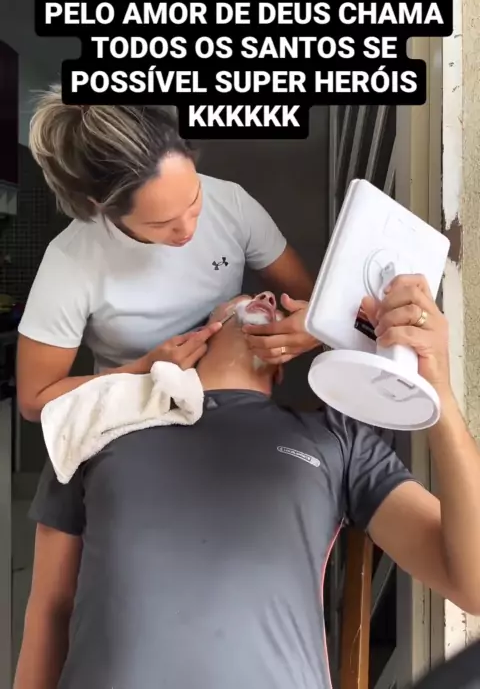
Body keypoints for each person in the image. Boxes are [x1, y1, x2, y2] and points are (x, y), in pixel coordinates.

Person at [14, 276, 480, 689]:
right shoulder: (97, 426)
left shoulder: (336, 440)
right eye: (239, 301)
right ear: (198, 339)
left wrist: (434, 387)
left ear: (280, 368)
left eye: (273, 301)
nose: (267, 298)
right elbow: (50, 607)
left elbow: (473, 585)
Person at [16, 88, 317, 421]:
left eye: (194, 200)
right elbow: (34, 401)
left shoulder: (231, 203)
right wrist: (144, 370)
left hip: (230, 409)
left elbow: (310, 299)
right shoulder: (70, 262)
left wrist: (312, 329)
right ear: (101, 208)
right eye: (161, 223)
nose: (188, 229)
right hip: (136, 420)